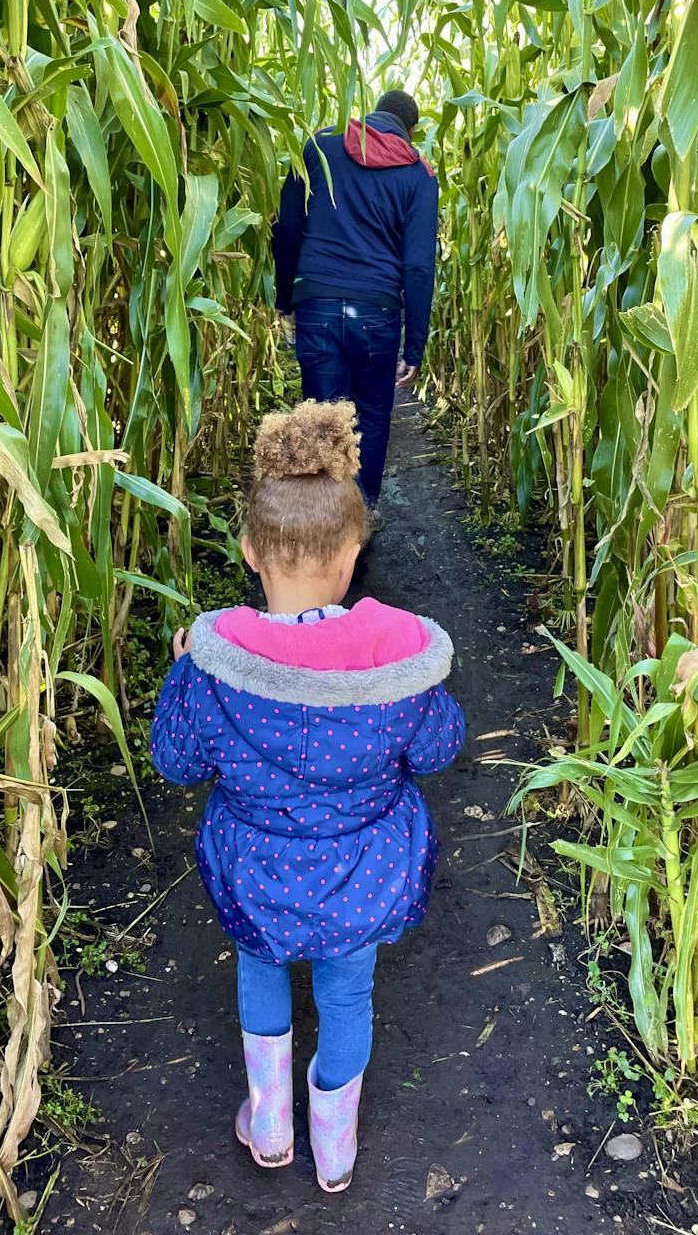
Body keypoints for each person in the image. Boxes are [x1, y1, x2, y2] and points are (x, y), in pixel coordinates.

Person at [150, 400, 465, 1193]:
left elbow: (176, 761)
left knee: (260, 974)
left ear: (251, 552)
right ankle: (335, 1149)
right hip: (362, 873)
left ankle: (268, 1128)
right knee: (348, 993)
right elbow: (437, 747)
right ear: (356, 550)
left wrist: (185, 667)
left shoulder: (216, 663)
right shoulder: (398, 662)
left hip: (255, 871)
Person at [272, 90, 440, 508]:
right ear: (411, 130)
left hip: (318, 303)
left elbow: (287, 228)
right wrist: (415, 346)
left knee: (323, 421)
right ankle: (360, 520)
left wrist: (285, 298)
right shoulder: (418, 174)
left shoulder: (319, 147)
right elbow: (418, 266)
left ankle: (326, 524)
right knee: (371, 416)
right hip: (377, 312)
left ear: (371, 114)